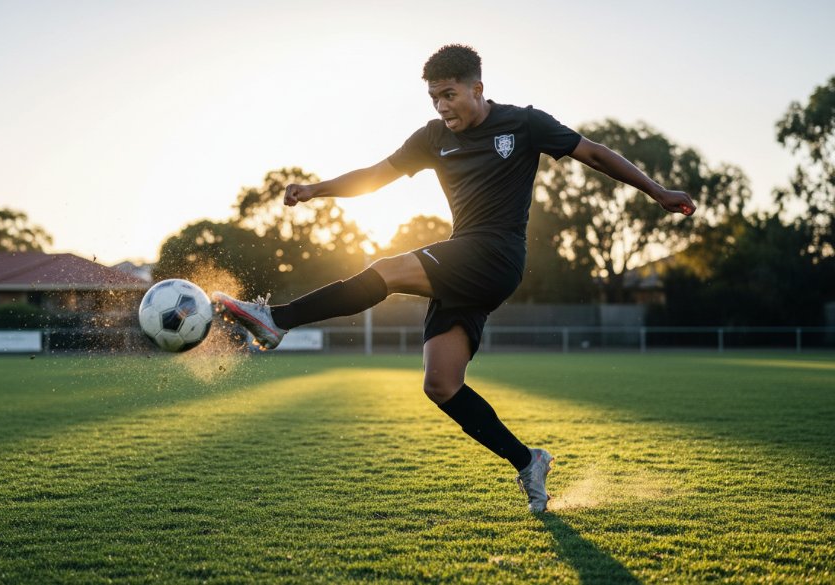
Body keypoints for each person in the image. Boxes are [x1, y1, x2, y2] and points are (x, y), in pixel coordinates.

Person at [212, 44, 695, 513]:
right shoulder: (430, 137)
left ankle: (276, 319)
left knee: (387, 269)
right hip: (463, 261)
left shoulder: (524, 123)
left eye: (449, 95)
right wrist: (317, 189)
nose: (442, 107)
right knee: (441, 384)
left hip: (497, 253)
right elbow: (376, 175)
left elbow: (594, 153)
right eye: (434, 98)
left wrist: (657, 192)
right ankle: (529, 461)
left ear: (477, 88)